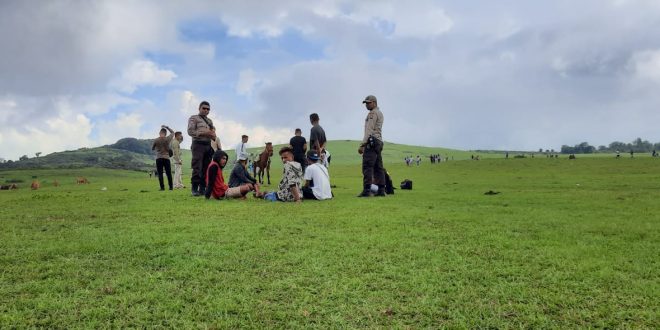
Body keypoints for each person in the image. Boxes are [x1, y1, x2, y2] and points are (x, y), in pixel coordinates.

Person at [357, 95, 385, 197]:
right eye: (366, 103)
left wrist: (362, 145)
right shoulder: (380, 113)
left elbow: (369, 130)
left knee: (367, 166)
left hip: (372, 141)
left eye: (368, 103)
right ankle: (381, 189)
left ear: (374, 102)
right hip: (379, 141)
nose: (367, 105)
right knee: (378, 166)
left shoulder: (372, 113)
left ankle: (367, 190)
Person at [188, 101, 216, 196]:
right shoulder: (194, 118)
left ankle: (202, 189)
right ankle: (194, 189)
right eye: (204, 108)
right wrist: (204, 133)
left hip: (208, 145)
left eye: (208, 109)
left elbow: (213, 133)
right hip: (198, 144)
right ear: (199, 108)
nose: (206, 110)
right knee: (197, 167)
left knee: (206, 168)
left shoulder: (210, 121)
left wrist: (213, 135)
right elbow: (190, 131)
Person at [151, 125, 175, 191]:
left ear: (160, 133)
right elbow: (173, 133)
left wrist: (157, 147)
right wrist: (167, 127)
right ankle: (171, 187)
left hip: (159, 158)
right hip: (166, 158)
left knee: (160, 173)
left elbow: (152, 148)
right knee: (168, 173)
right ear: (166, 133)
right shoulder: (168, 138)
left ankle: (162, 188)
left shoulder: (156, 140)